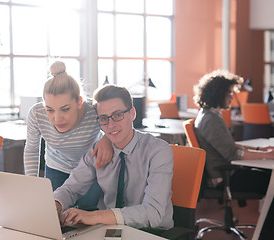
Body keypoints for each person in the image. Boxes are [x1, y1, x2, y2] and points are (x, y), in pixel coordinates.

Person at [53, 85, 174, 230]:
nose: (111, 125)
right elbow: (71, 188)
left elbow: (154, 214)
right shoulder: (97, 150)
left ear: (132, 114)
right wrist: (55, 204)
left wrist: (95, 216)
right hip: (111, 229)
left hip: (152, 231)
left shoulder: (158, 151)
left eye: (117, 115)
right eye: (104, 118)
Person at [193, 69, 274, 239]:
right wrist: (268, 156)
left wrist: (260, 151)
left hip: (228, 171)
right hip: (225, 176)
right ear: (219, 94)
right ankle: (266, 234)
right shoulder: (210, 120)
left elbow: (228, 145)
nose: (232, 97)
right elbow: (232, 154)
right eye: (229, 93)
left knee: (268, 174)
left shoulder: (209, 115)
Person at [24, 61, 113, 209]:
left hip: (90, 168)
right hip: (56, 167)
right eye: (50, 110)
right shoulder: (36, 114)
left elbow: (119, 126)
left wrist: (107, 138)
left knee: (85, 211)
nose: (57, 119)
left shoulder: (94, 111)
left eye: (65, 109)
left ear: (79, 101)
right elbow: (32, 150)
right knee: (55, 212)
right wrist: (31, 184)